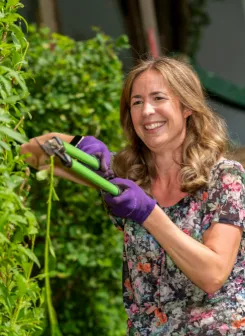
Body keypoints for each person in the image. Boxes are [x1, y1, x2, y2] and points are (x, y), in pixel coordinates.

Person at [21, 56, 245, 335]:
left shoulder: (224, 176)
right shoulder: (129, 176)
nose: (147, 111)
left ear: (186, 106)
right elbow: (31, 154)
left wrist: (149, 214)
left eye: (158, 98)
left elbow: (213, 275)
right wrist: (78, 144)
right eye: (136, 102)